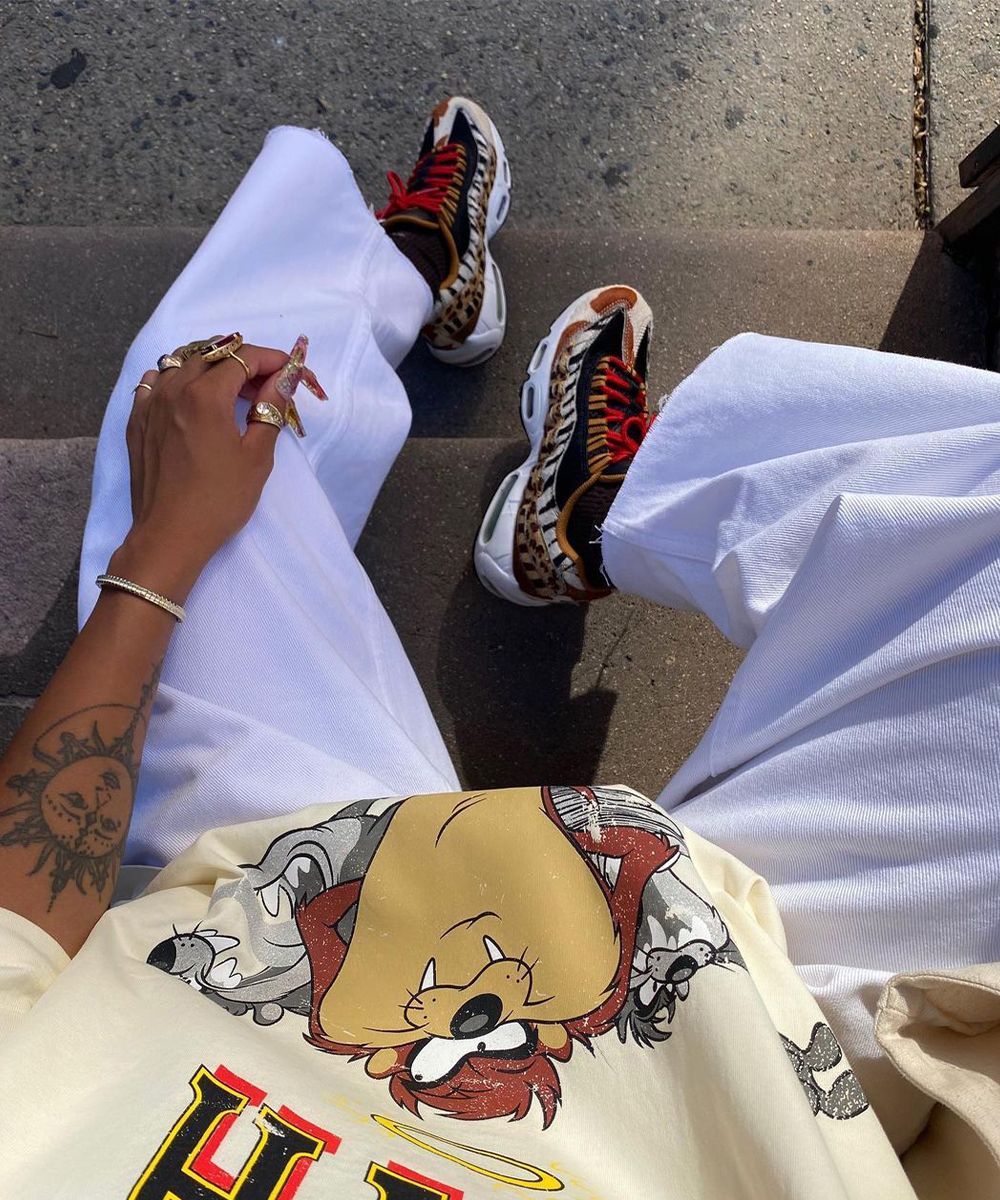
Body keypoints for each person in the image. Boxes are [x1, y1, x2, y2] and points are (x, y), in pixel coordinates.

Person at [0, 98, 996, 1199]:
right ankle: (593, 510)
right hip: (789, 1058)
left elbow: (14, 950)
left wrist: (162, 547)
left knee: (198, 395)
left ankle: (413, 282)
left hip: (273, 913)